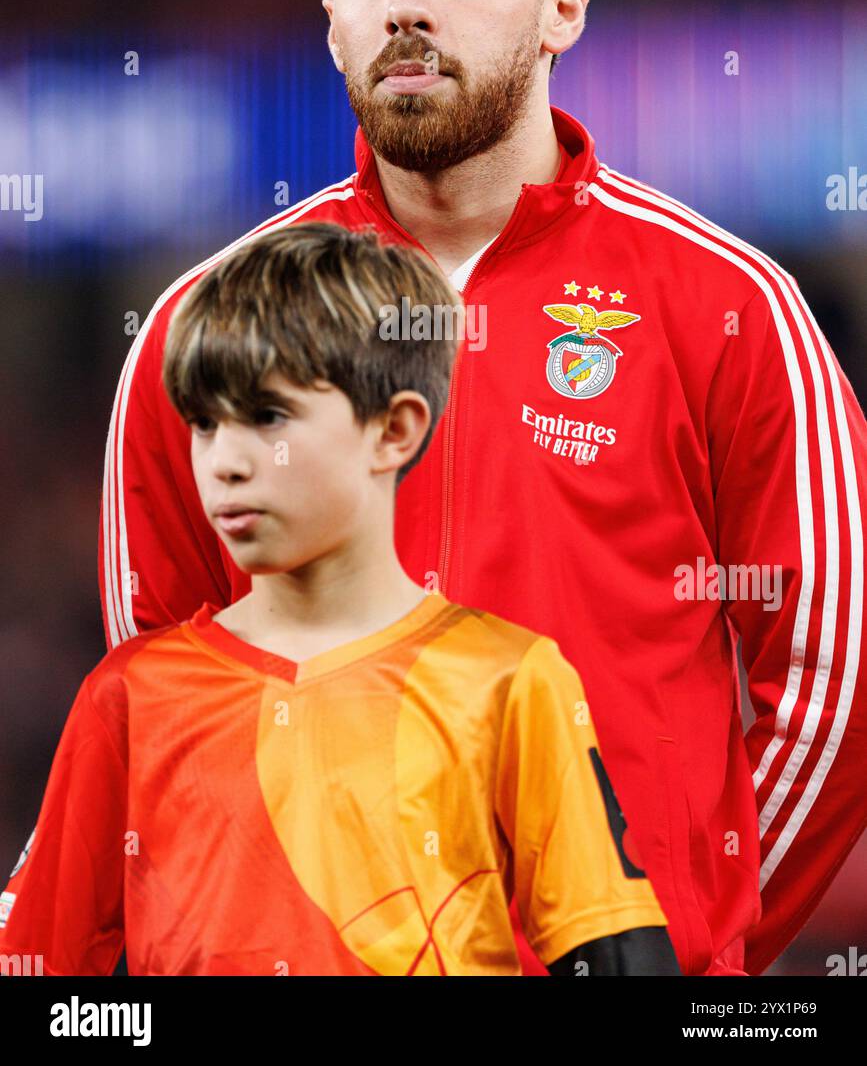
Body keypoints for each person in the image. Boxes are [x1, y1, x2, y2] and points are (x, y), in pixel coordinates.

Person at [96, 0, 867, 977]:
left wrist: (695, 939)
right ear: (334, 27)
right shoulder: (203, 326)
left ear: (565, 6)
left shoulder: (731, 305)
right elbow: (164, 697)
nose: (407, 3)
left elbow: (836, 677)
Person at [0, 224, 679, 976]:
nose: (223, 462)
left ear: (393, 429)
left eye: (267, 417)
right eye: (202, 424)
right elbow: (47, 978)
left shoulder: (510, 681)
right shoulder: (128, 700)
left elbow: (619, 957)